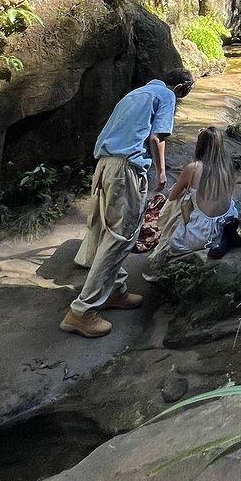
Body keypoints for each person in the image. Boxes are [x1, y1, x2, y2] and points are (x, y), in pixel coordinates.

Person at [60, 69, 194, 338]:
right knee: (121, 238)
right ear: (180, 87)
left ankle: (114, 291)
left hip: (104, 166)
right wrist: (162, 172)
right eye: (183, 95)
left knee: (110, 233)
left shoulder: (135, 94)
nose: (178, 101)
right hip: (125, 170)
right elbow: (157, 138)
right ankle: (82, 311)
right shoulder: (166, 95)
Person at [144, 125, 237, 276]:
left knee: (177, 201)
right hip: (225, 227)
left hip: (202, 235)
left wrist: (181, 188)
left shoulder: (193, 168)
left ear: (200, 146)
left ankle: (163, 234)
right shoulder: (228, 167)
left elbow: (173, 196)